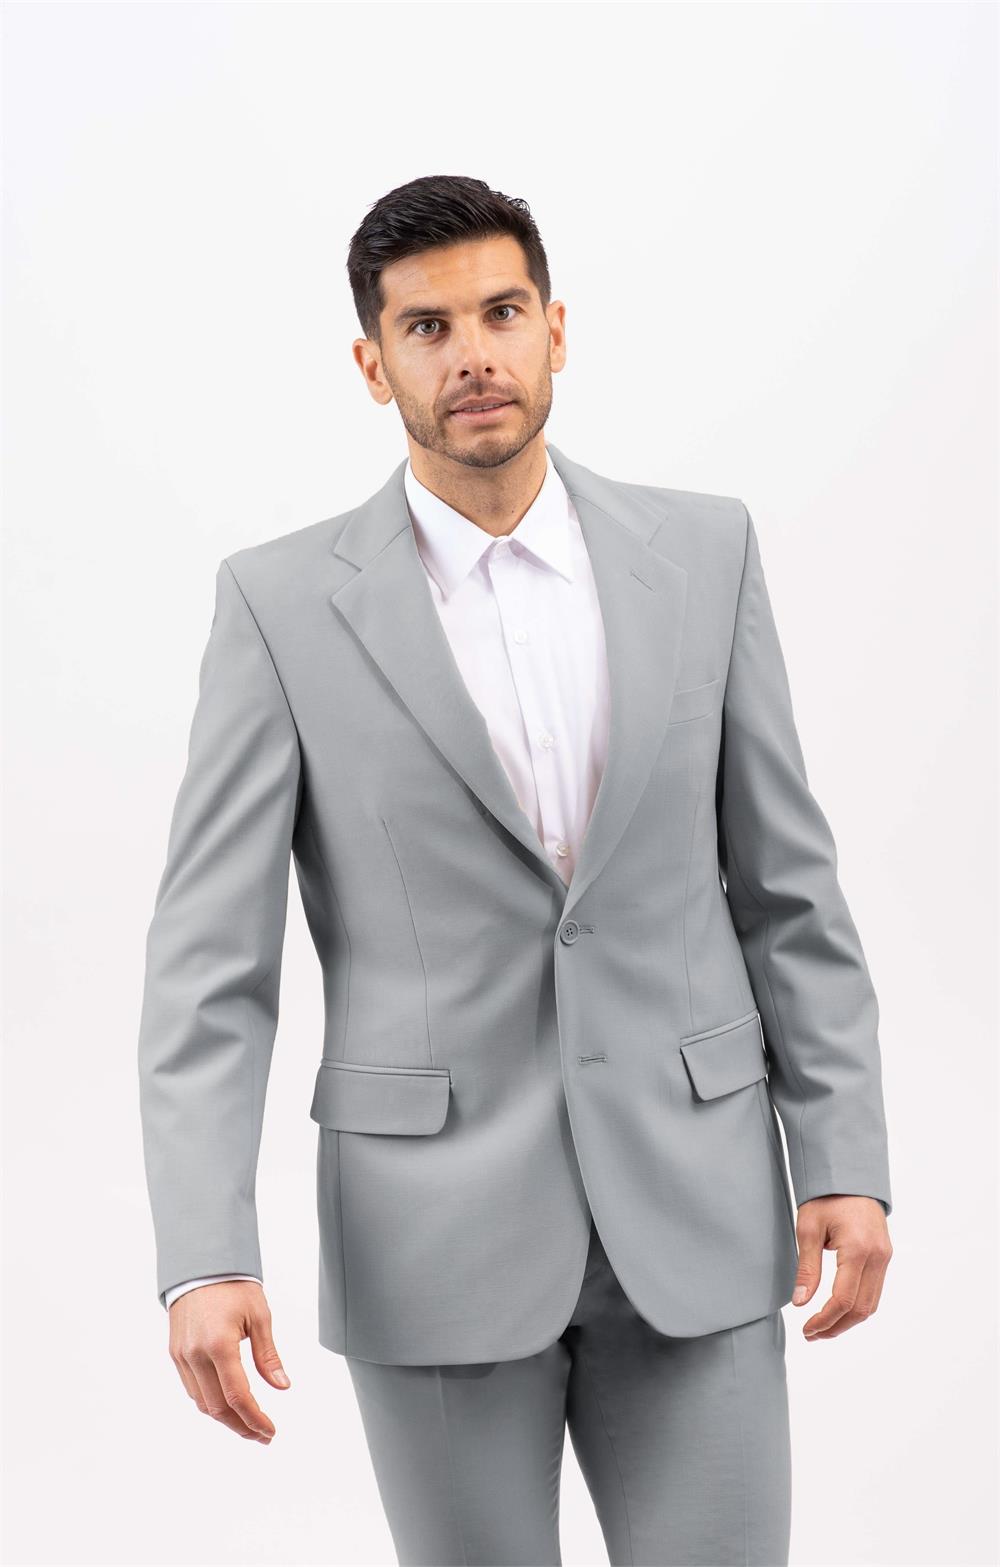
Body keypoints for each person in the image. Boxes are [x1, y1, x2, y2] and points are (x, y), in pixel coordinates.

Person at [138, 173, 893, 1566]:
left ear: (556, 328)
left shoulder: (705, 552)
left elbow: (789, 891)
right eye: (427, 328)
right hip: (428, 1237)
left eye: (500, 313)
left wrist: (844, 1155)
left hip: (699, 1205)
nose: (472, 353)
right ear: (373, 364)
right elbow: (210, 970)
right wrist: (206, 1251)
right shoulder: (280, 607)